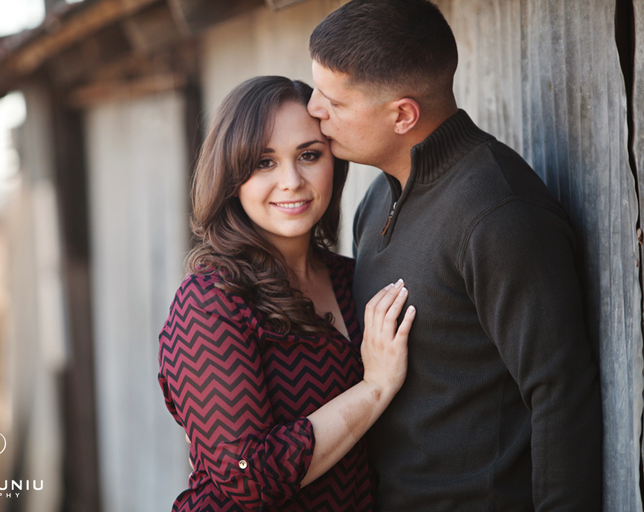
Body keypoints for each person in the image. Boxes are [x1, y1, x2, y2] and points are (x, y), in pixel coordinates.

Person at [306, 1, 602, 511]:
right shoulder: (378, 198)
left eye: (334, 101)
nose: (313, 109)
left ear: (402, 114)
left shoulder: (498, 213)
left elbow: (560, 394)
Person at [158, 76, 415, 511]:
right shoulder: (210, 300)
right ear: (231, 175)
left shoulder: (353, 279)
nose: (292, 181)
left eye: (309, 155)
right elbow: (248, 477)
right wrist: (374, 387)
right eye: (264, 162)